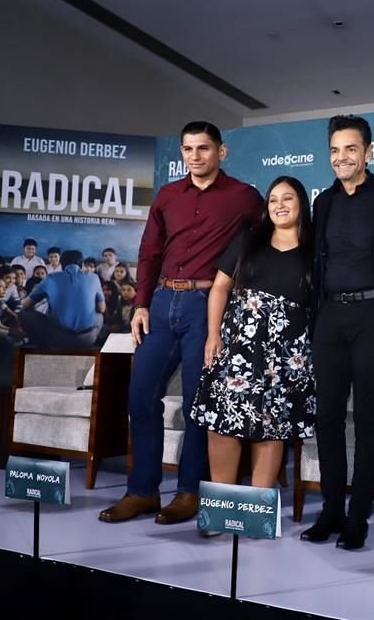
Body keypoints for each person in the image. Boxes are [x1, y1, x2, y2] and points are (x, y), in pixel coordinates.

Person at [99, 121, 264, 525]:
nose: (195, 156)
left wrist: (239, 295)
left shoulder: (245, 198)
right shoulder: (168, 196)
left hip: (207, 305)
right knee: (140, 397)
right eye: (188, 149)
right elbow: (150, 251)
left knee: (197, 403)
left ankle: (189, 492)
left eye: (204, 148)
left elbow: (264, 247)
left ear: (221, 152)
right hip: (161, 303)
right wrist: (140, 304)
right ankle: (142, 492)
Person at [300, 115, 374, 550]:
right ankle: (330, 510)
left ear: (369, 152)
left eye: (350, 149)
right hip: (330, 317)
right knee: (326, 417)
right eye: (334, 150)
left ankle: (358, 516)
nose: (341, 157)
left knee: (366, 417)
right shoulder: (323, 202)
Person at [190, 176, 316, 500]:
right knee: (221, 424)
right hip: (236, 346)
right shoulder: (248, 239)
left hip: (286, 356)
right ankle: (221, 505)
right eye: (273, 199)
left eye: (287, 198)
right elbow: (219, 287)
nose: (279, 205)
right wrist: (213, 334)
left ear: (301, 204)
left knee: (271, 429)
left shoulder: (315, 251)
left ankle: (255, 509)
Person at [20, 250, 104, 348]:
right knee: (100, 315)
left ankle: (40, 346)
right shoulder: (94, 278)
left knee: (23, 313)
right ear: (81, 264)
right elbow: (102, 308)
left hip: (59, 339)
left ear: (61, 264)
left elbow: (25, 305)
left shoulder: (51, 278)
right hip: (87, 340)